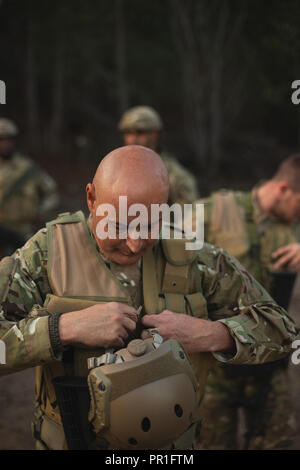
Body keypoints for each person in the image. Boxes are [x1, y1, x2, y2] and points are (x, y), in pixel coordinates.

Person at [0, 145, 297, 450]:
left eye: (149, 224)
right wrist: (62, 329)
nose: (134, 243)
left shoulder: (193, 256)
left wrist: (211, 334)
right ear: (91, 198)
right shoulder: (46, 255)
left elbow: (283, 329)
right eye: (119, 224)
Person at [192, 154, 300, 450]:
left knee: (280, 442)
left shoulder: (292, 226)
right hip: (215, 363)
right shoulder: (214, 211)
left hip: (269, 357)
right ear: (283, 189)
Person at [118, 105, 199, 206]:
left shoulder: (175, 177)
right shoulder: (116, 171)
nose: (132, 139)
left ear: (155, 133)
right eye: (128, 133)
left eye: (140, 133)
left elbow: (188, 217)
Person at [0, 117, 59, 239]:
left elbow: (52, 193)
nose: (5, 144)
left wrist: (41, 212)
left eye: (9, 139)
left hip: (23, 232)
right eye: (2, 140)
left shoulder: (27, 168)